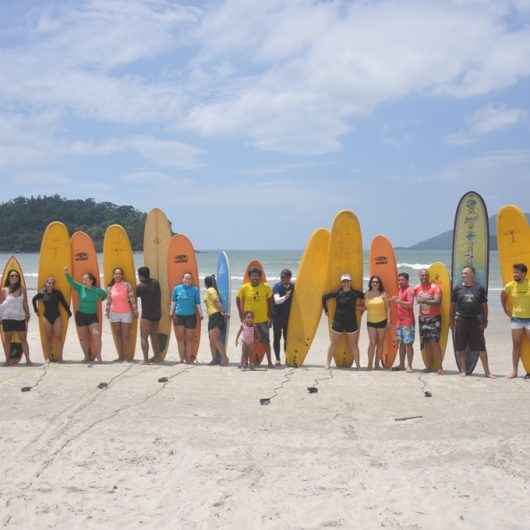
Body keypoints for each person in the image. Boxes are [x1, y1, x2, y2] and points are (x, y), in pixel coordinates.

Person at [450, 266, 491, 377]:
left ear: (472, 274)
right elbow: (452, 306)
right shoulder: (457, 288)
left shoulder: (479, 288)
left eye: (466, 273)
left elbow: (484, 306)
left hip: (475, 321)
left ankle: (487, 372)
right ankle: (463, 370)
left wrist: (485, 320)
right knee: (460, 346)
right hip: (461, 320)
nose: (463, 275)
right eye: (462, 273)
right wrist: (451, 320)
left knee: (481, 347)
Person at [322, 273, 365, 369]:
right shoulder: (338, 293)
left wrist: (362, 308)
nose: (346, 283)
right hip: (338, 322)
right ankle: (328, 363)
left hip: (351, 322)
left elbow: (366, 298)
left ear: (350, 282)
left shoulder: (356, 293)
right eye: (344, 281)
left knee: (354, 345)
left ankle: (358, 365)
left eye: (347, 281)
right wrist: (326, 310)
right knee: (333, 344)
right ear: (341, 283)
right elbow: (324, 297)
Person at [65, 267, 107, 363]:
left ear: (91, 281)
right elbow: (72, 282)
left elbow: (105, 295)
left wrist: (100, 300)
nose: (83, 281)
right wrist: (67, 274)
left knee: (96, 335)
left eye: (85, 279)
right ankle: (86, 356)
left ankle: (99, 356)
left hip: (92, 316)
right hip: (81, 315)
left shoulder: (97, 290)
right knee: (83, 338)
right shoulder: (80, 288)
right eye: (83, 280)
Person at [236, 268, 274, 368]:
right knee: (247, 343)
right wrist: (241, 315)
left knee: (266, 341)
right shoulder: (244, 288)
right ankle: (246, 362)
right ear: (250, 277)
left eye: (257, 275)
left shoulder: (266, 288)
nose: (255, 277)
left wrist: (270, 317)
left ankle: (270, 362)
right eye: (253, 275)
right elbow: (238, 299)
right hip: (249, 322)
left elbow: (271, 302)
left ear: (260, 276)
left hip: (263, 320)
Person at [32, 277, 71, 362]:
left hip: (57, 317)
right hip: (46, 317)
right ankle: (49, 357)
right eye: (49, 283)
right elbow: (33, 300)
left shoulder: (57, 293)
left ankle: (60, 357)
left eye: (53, 283)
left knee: (58, 337)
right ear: (46, 284)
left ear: (54, 285)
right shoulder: (42, 293)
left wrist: (69, 312)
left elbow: (64, 303)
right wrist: (36, 311)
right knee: (48, 337)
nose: (51, 284)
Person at [501, 263, 530, 379]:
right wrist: (505, 310)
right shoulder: (510, 285)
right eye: (514, 272)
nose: (514, 274)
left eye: (517, 272)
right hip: (516, 319)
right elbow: (502, 296)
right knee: (516, 345)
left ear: (523, 273)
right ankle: (514, 371)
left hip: (529, 319)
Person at [415, 269, 444, 375]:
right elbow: (410, 298)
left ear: (429, 276)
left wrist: (423, 300)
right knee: (426, 343)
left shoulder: (435, 288)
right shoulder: (417, 288)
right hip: (422, 318)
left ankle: (439, 367)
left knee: (435, 343)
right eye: (422, 275)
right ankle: (428, 366)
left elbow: (437, 301)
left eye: (426, 275)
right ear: (419, 276)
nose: (424, 277)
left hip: (434, 318)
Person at [106, 267, 138, 362]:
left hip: (126, 313)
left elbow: (132, 298)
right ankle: (120, 357)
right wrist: (107, 311)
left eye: (119, 273)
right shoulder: (110, 287)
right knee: (118, 336)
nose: (117, 275)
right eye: (116, 273)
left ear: (122, 275)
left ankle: (127, 357)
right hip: (114, 313)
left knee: (126, 336)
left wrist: (135, 310)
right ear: (113, 275)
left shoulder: (127, 285)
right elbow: (109, 301)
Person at [0, 269, 31, 365]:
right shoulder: (4, 290)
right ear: (8, 278)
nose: (14, 277)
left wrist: (28, 313)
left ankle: (28, 360)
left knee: (23, 339)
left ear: (19, 278)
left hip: (20, 318)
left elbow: (25, 302)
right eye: (12, 276)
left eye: (16, 276)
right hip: (7, 318)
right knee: (7, 340)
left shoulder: (22, 289)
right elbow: (1, 304)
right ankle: (7, 361)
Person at [171, 272, 203, 364]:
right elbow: (173, 301)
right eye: (186, 278)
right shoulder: (177, 289)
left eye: (189, 278)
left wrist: (201, 314)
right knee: (180, 338)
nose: (187, 280)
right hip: (178, 316)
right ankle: (181, 358)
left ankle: (188, 359)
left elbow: (198, 303)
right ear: (182, 279)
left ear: (191, 280)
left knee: (189, 339)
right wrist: (170, 312)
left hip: (191, 316)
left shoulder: (195, 290)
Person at [136, 266, 162, 363]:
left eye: (139, 275)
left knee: (144, 337)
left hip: (146, 315)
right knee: (154, 336)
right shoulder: (156, 283)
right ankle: (157, 357)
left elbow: (134, 295)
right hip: (157, 314)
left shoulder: (140, 286)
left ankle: (146, 360)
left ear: (141, 276)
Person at [364, 275, 390, 370]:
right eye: (373, 282)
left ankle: (376, 364)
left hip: (382, 321)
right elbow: (365, 307)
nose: (375, 283)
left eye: (377, 282)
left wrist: (388, 320)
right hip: (370, 321)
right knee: (372, 343)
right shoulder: (366, 293)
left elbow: (388, 308)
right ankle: (369, 364)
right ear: (370, 283)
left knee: (380, 343)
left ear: (379, 284)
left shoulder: (383, 294)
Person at [391, 272, 415, 372]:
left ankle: (409, 365)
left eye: (402, 280)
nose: (400, 282)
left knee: (408, 344)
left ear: (407, 280)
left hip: (408, 321)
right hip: (399, 321)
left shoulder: (409, 290)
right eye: (399, 280)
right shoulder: (400, 290)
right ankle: (401, 365)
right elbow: (398, 302)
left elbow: (410, 304)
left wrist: (398, 301)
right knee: (401, 343)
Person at [204, 275, 229, 366]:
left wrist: (223, 312)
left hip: (216, 316)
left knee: (215, 339)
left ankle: (225, 358)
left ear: (206, 283)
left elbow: (217, 302)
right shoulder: (209, 291)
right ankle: (214, 359)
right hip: (211, 317)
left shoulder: (211, 290)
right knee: (212, 340)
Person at [272, 269, 294, 367]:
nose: (282, 279)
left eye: (284, 277)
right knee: (277, 338)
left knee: (287, 338)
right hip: (277, 317)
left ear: (289, 278)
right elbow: (276, 301)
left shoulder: (293, 287)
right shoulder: (277, 287)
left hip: (288, 317)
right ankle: (277, 359)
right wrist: (286, 297)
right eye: (281, 277)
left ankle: (287, 358)